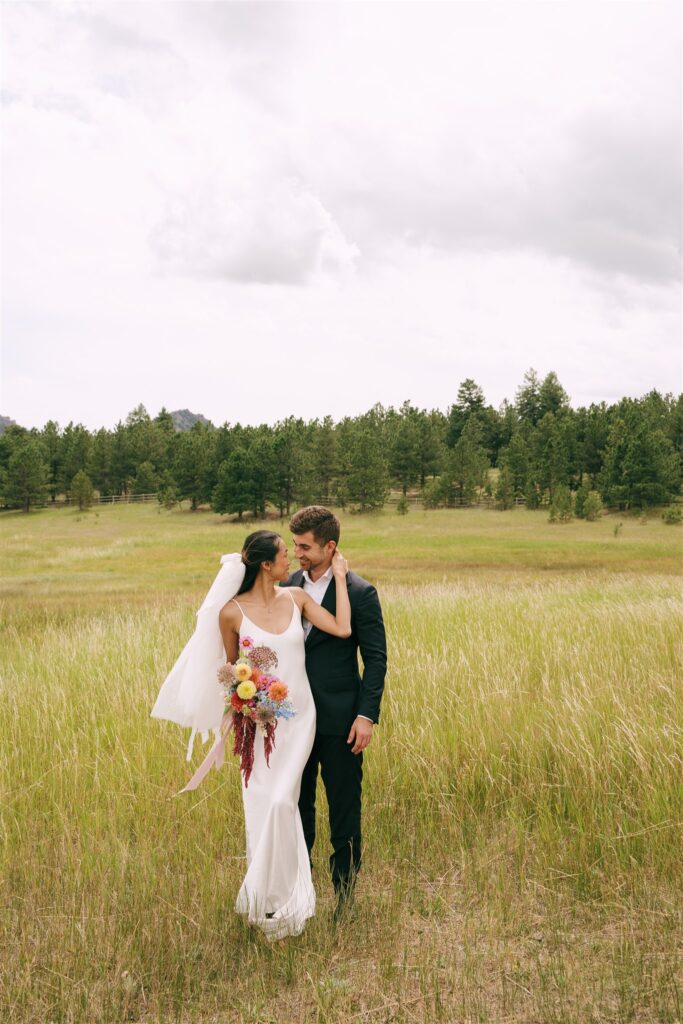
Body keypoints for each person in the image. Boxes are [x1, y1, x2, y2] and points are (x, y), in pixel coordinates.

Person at [153, 529, 351, 941]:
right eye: (284, 554)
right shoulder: (230, 613)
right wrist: (245, 702)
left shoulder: (296, 599)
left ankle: (292, 899)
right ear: (266, 564)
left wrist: (342, 577)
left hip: (299, 722)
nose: (291, 560)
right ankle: (268, 900)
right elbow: (228, 671)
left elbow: (343, 629)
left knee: (283, 802)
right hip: (259, 726)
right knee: (263, 806)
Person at [281, 506, 387, 916]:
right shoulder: (286, 585)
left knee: (344, 807)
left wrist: (366, 715)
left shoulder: (360, 593)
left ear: (330, 546)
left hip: (341, 721)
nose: (298, 553)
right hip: (292, 722)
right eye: (294, 545)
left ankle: (344, 895)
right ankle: (300, 894)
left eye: (305, 547)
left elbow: (376, 660)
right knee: (297, 807)